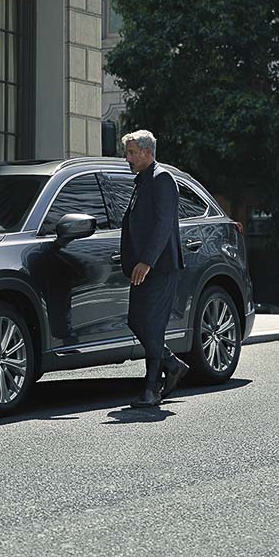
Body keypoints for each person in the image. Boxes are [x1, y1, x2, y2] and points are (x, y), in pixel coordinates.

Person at [119, 130, 189, 407]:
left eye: (132, 153)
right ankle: (172, 365)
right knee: (136, 321)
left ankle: (151, 389)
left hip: (160, 267)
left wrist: (146, 261)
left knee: (153, 326)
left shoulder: (162, 180)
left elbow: (162, 226)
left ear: (148, 152)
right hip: (142, 268)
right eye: (128, 153)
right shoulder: (143, 182)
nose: (128, 158)